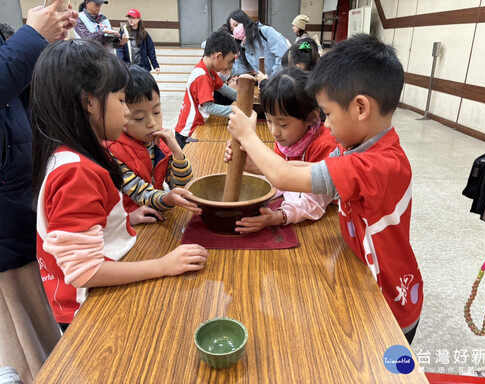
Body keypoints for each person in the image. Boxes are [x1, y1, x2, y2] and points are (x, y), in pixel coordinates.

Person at [228, 34, 423, 344]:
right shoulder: (359, 148)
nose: (327, 127)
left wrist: (248, 136)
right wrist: (255, 165)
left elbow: (282, 176)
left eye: (329, 115)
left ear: (360, 108)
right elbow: (307, 170)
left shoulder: (374, 165)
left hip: (391, 302)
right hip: (366, 275)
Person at [31, 40, 208, 330]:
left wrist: (124, 218)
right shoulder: (77, 172)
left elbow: (83, 224)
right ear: (89, 102)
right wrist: (164, 265)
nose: (126, 113)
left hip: (106, 278)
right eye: (122, 101)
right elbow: (85, 271)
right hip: (87, 307)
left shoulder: (76, 156)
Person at [0, 2, 77, 382]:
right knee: (20, 346)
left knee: (40, 331)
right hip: (7, 226)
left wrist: (42, 45)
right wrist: (31, 39)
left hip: (18, 204)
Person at [224, 67, 336, 233]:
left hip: (331, 220)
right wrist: (254, 164)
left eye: (283, 124)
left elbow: (315, 201)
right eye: (269, 121)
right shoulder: (288, 139)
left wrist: (278, 216)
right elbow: (280, 175)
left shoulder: (326, 145)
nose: (274, 131)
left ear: (312, 117)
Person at [107, 65, 199, 217]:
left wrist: (177, 152)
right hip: (129, 223)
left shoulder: (160, 143)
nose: (152, 123)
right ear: (120, 114)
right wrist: (167, 198)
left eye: (156, 112)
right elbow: (142, 194)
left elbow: (182, 184)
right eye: (139, 118)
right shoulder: (113, 151)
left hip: (155, 215)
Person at [174, 30, 238, 149]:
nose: (228, 67)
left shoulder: (209, 70)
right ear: (218, 56)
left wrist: (240, 97)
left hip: (197, 126)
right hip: (188, 132)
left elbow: (223, 88)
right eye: (228, 62)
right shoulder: (202, 76)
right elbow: (209, 107)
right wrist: (236, 110)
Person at [226, 9, 289, 77]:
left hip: (281, 80)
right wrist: (224, 66)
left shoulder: (265, 31)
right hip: (267, 84)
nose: (235, 30)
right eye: (232, 30)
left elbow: (282, 55)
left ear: (244, 20)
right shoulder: (243, 46)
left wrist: (272, 78)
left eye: (236, 25)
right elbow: (242, 67)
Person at [116, 9, 160, 73]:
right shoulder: (123, 32)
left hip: (143, 67)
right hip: (128, 67)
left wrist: (155, 65)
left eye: (133, 18)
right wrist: (121, 64)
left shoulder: (145, 34)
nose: (131, 19)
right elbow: (119, 49)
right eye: (129, 17)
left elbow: (151, 50)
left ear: (139, 19)